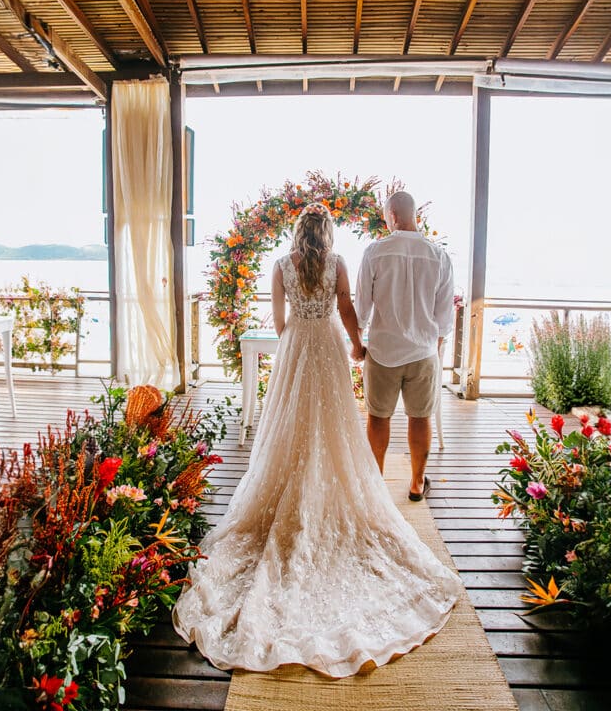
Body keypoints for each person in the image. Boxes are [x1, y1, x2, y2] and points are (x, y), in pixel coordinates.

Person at [172, 202, 459, 678]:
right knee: (335, 421)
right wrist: (355, 344)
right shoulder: (338, 263)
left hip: (296, 347)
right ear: (325, 232)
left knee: (292, 419)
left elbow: (278, 320)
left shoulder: (281, 266)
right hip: (327, 344)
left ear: (297, 231)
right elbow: (347, 310)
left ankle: (296, 474)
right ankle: (396, 481)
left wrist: (295, 339)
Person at [355, 191, 454, 501]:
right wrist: (433, 349)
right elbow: (444, 317)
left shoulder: (375, 252)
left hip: (383, 351)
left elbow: (361, 309)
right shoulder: (439, 256)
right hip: (423, 352)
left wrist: (358, 344)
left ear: (393, 216)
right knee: (421, 418)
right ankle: (416, 483)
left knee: (378, 418)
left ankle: (376, 484)